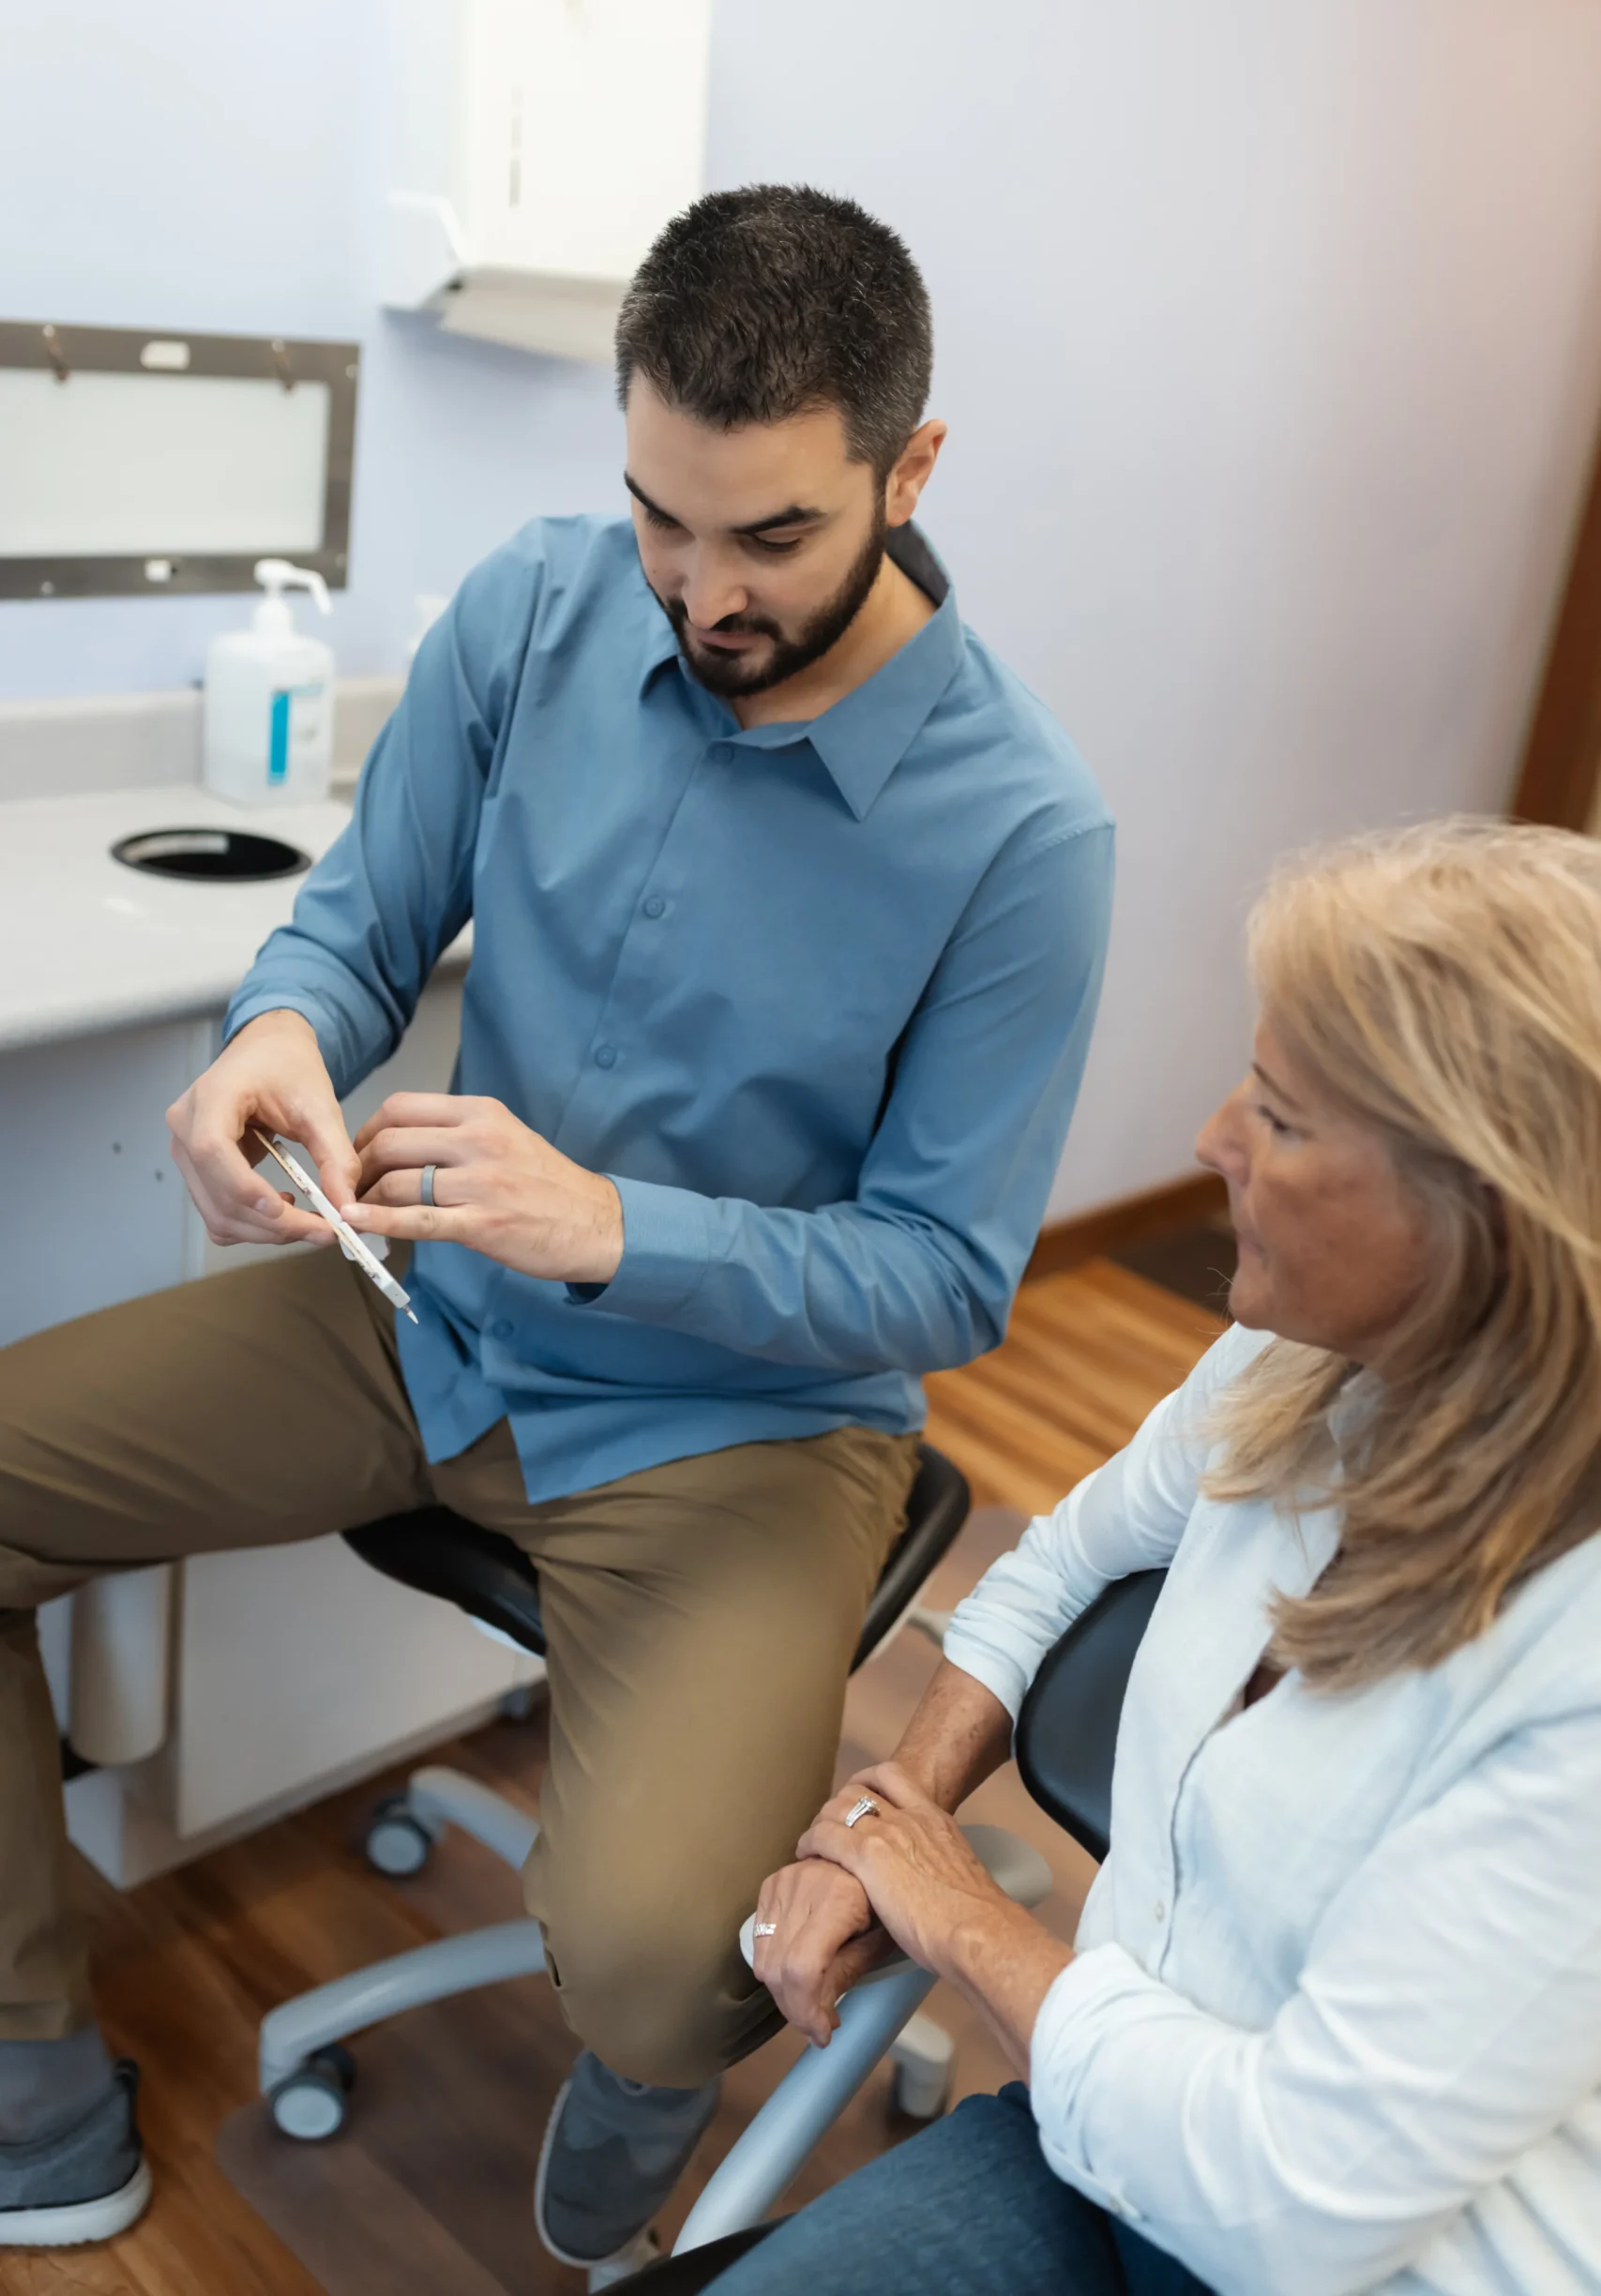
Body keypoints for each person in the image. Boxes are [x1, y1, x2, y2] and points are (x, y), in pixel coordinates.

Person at [0, 186, 1113, 2264]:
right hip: (420, 1315)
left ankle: (646, 2065)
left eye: (770, 534)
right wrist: (276, 1034)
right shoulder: (534, 607)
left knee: (651, 1960)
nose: (697, 590)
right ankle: (27, 2068)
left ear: (912, 467)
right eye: (656, 517)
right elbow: (361, 913)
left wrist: (616, 1226)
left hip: (744, 1428)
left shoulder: (1024, 833)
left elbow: (949, 1275)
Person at [730, 820, 1601, 2296]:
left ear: (1481, 1218)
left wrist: (959, 1916)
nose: (1209, 1141)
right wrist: (889, 1809)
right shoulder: (1302, 1364)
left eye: (1277, 1113)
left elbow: (1291, 2204)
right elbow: (1064, 1557)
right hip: (1104, 2137)